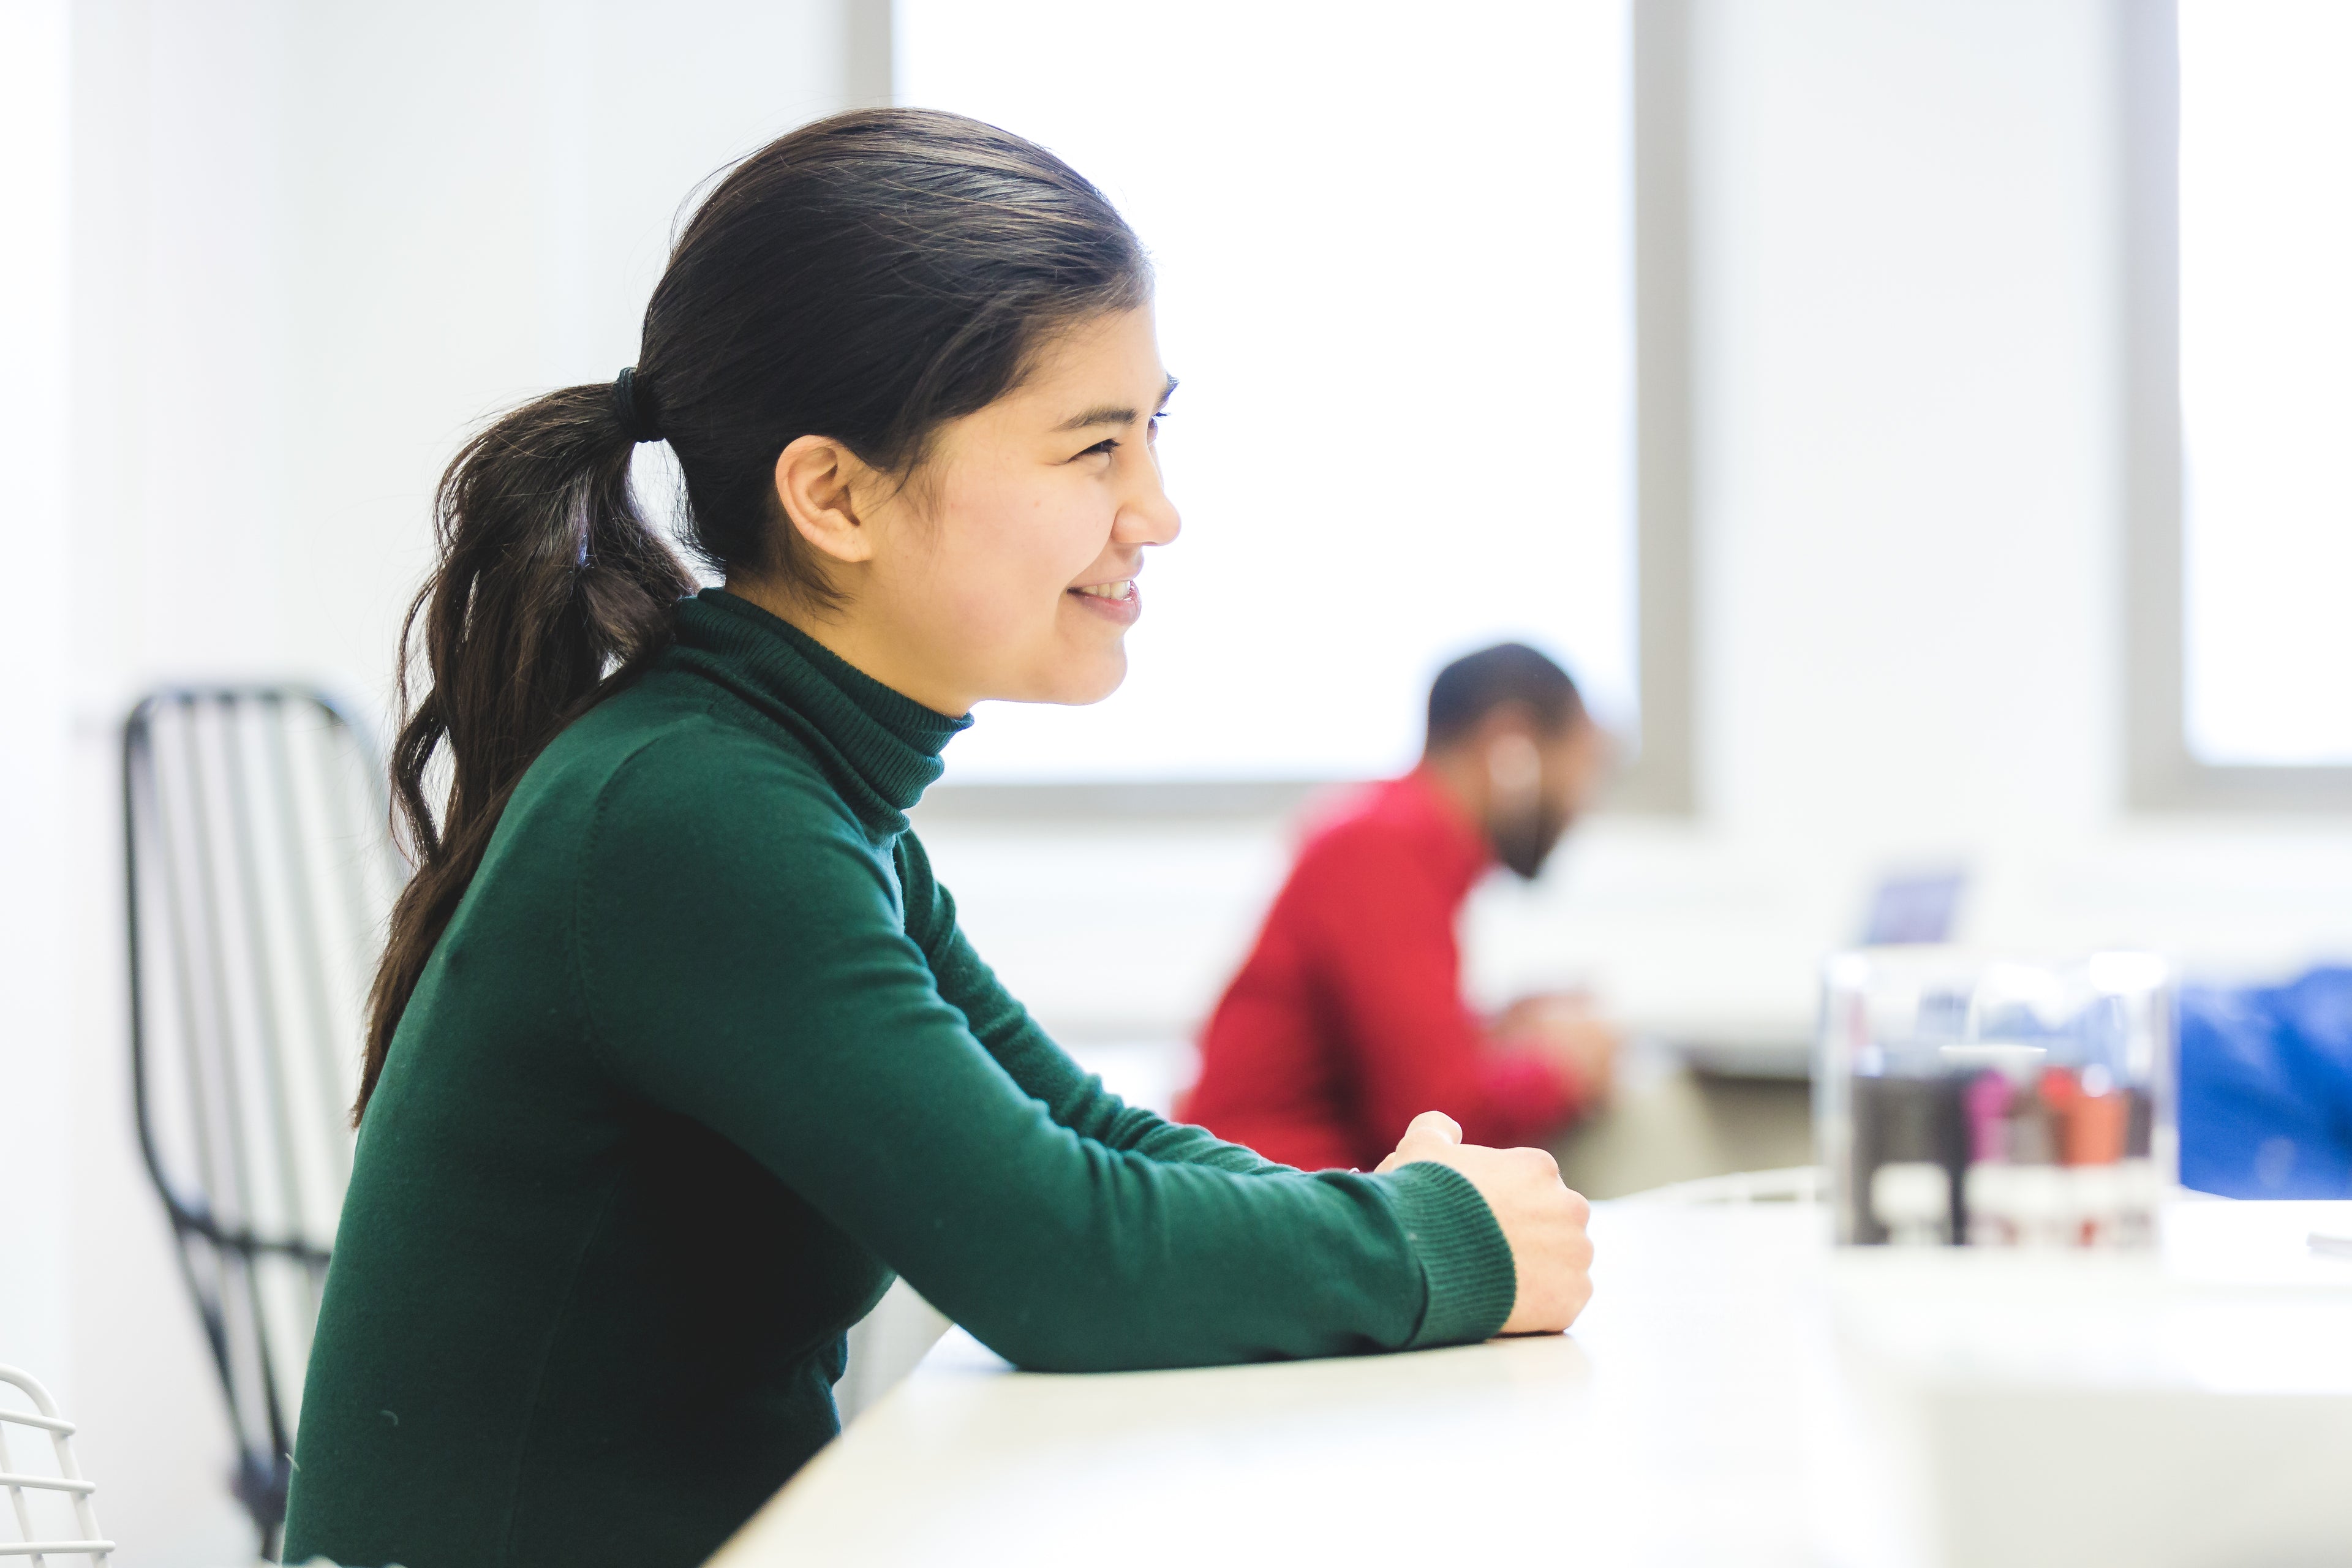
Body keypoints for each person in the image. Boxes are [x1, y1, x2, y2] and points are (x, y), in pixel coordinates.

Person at [282, 111, 1594, 1568]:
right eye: (1094, 445)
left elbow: (1078, 1135)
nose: (1155, 509)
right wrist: (1430, 1239)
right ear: (833, 495)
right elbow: (1053, 1255)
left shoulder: (798, 792)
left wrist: (1376, 1210)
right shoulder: (692, 810)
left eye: (1152, 429)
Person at [1180, 644, 1619, 1173]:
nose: (1582, 800)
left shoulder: (1399, 842)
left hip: (1292, 1188)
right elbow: (1436, 1121)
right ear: (1512, 746)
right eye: (1584, 765)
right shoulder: (1382, 851)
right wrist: (1564, 1067)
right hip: (1268, 1198)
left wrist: (1496, 1032)